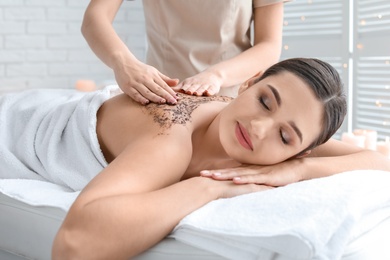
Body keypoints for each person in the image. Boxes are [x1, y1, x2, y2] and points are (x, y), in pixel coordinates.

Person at [81, 0, 286, 105]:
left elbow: (269, 45)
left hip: (230, 95)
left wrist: (216, 75)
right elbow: (94, 18)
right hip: (161, 94)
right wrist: (124, 63)